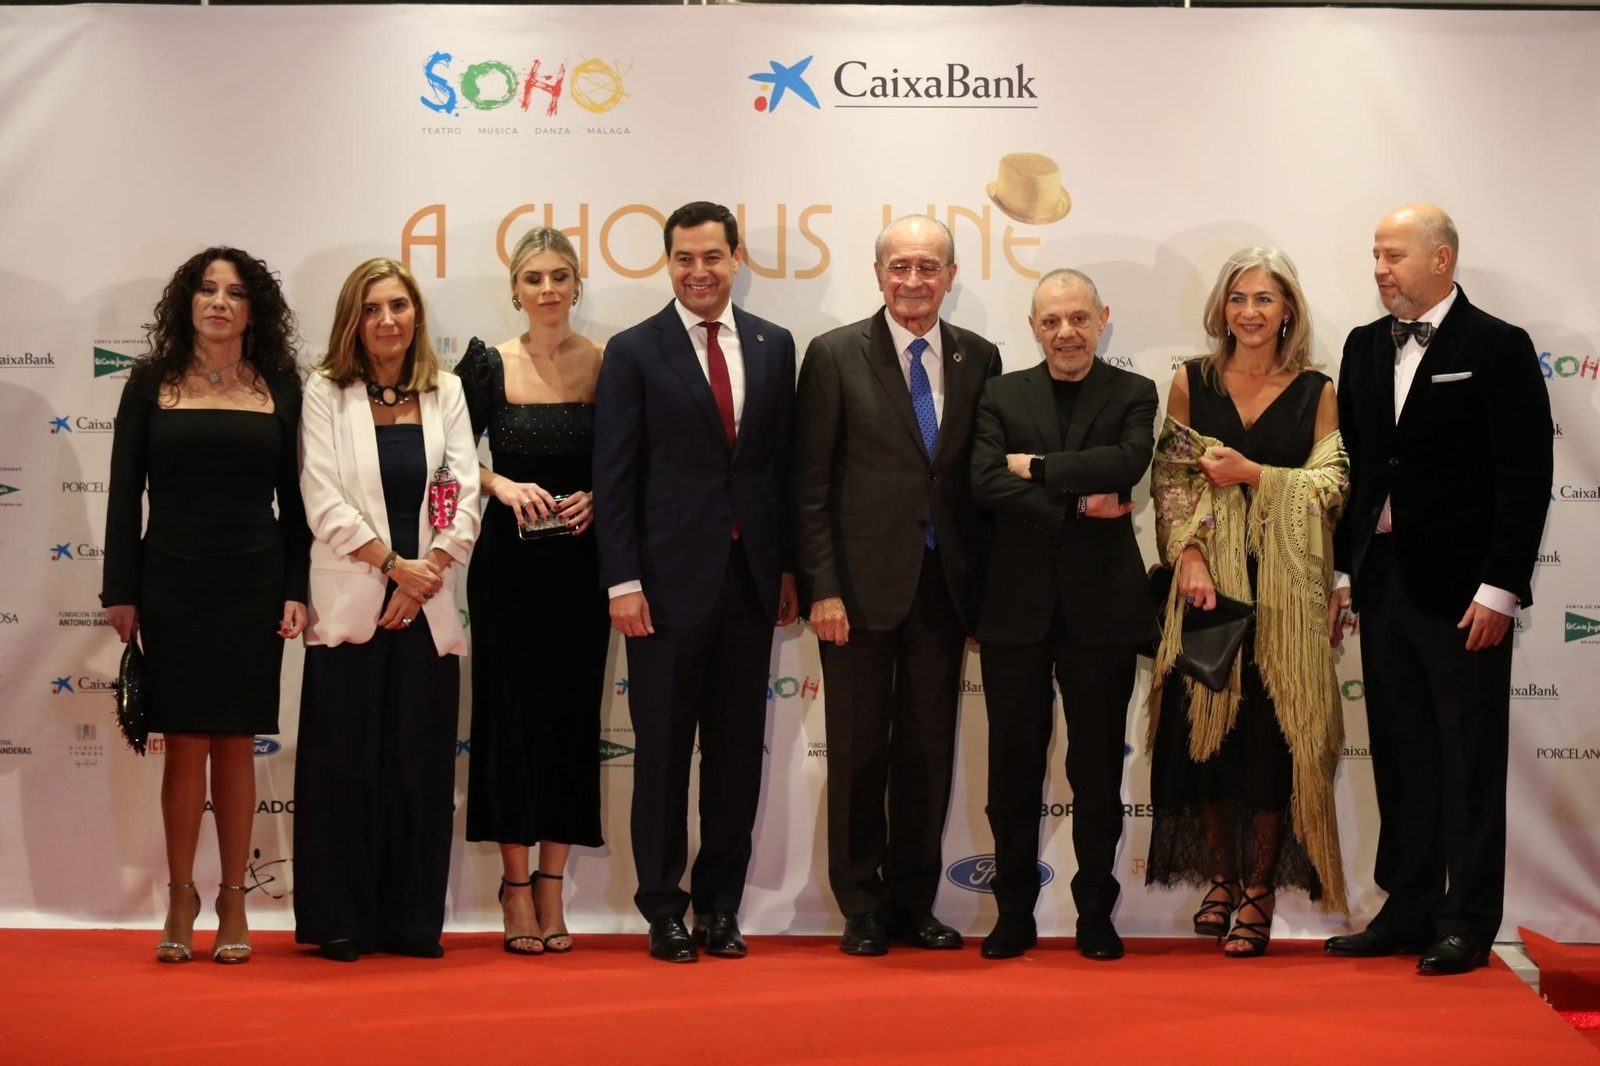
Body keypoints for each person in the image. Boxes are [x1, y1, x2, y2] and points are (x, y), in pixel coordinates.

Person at [1324, 205, 1552, 976]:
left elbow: (1526, 477)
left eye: (1394, 255)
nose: (1381, 268)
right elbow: (1354, 471)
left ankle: (1469, 918)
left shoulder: (1497, 345)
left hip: (1465, 594)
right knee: (1400, 752)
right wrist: (1346, 571)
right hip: (1384, 585)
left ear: (1442, 259)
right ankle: (1410, 904)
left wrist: (1501, 588)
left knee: (1470, 756)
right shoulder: (1361, 346)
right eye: (1376, 255)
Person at [592, 201, 798, 963]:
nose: (698, 271)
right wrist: (623, 582)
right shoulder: (634, 350)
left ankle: (721, 907)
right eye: (684, 258)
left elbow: (779, 469)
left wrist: (784, 570)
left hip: (749, 585)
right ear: (667, 262)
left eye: (712, 257)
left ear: (735, 258)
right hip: (665, 590)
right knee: (664, 756)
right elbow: (614, 479)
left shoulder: (775, 347)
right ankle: (662, 908)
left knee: (738, 757)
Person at [791, 214, 1002, 956]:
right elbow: (810, 483)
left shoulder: (980, 356)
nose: (914, 280)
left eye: (930, 266)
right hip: (855, 591)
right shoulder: (833, 354)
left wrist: (985, 591)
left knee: (926, 751)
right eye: (900, 266)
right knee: (856, 753)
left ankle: (916, 901)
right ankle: (862, 905)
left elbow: (978, 479)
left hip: (944, 592)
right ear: (878, 274)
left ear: (950, 275)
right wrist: (822, 586)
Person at [102, 246, 309, 965]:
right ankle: (181, 895)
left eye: (235, 292)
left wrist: (297, 586)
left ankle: (233, 901)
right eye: (207, 289)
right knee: (185, 741)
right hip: (172, 578)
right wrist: (121, 589)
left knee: (235, 742)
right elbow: (124, 491)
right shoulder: (149, 381)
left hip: (254, 577)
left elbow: (300, 499)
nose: (219, 301)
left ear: (255, 310)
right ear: (186, 302)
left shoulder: (282, 384)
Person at [1145, 247, 1349, 957]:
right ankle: (1222, 880)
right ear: (1222, 309)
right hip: (1210, 590)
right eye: (1238, 299)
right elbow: (1170, 481)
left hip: (1287, 598)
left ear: (1287, 308)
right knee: (1205, 738)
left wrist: (1255, 474)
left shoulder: (1318, 388)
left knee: (1271, 743)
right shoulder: (1189, 382)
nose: (1250, 313)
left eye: (1265, 299)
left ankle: (1259, 891)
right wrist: (1191, 555)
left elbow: (1330, 489)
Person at [294, 258, 481, 962]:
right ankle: (342, 920)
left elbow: (464, 492)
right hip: (350, 606)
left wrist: (424, 576)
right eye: (372, 308)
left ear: (416, 315)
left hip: (425, 611)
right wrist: (392, 567)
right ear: (353, 320)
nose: (387, 320)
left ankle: (410, 923)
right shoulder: (324, 392)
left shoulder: (449, 392)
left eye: (399, 306)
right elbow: (321, 497)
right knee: (344, 767)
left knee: (420, 769)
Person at [970, 269, 1158, 961]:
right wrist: (1079, 499)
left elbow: (1128, 461)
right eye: (1051, 321)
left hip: (1102, 612)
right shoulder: (999, 392)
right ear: (1033, 327)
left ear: (1102, 318)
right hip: (1013, 610)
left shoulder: (1134, 392)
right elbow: (984, 478)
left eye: (1078, 318)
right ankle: (1012, 911)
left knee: (1098, 770)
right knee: (1013, 770)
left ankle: (1095, 914)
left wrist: (1038, 466)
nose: (1066, 332)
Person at [460, 227, 606, 955]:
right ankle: (515, 887)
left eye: (559, 277)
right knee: (509, 719)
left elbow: (632, 457)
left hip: (582, 568)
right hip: (507, 569)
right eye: (533, 278)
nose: (547, 289)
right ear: (514, 288)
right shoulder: (487, 365)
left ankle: (554, 882)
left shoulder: (610, 362)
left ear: (577, 284)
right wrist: (500, 481)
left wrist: (601, 497)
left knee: (571, 720)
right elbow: (449, 455)